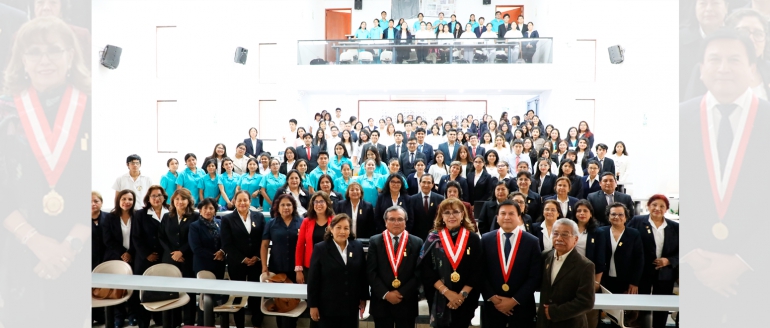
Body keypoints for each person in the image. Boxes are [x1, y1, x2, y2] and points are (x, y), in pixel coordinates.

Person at [419, 199, 481, 328]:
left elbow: (478, 270)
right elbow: (426, 269)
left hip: (465, 298)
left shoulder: (473, 238)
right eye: (447, 212)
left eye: (455, 212)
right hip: (439, 296)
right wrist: (447, 292)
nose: (451, 216)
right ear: (441, 216)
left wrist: (461, 296)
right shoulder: (432, 238)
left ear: (462, 214)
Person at [480, 200, 542, 328]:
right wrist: (494, 299)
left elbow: (535, 276)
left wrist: (514, 301)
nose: (507, 217)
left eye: (511, 213)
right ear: (497, 218)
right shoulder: (486, 240)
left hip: (522, 306)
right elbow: (480, 272)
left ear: (519, 217)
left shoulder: (532, 242)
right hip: (493, 306)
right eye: (503, 213)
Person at [367, 205, 424, 328]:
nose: (396, 223)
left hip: (406, 301)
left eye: (400, 219)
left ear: (406, 222)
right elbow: (371, 272)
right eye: (392, 219)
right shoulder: (375, 241)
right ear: (385, 222)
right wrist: (386, 294)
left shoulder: (417, 242)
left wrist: (402, 292)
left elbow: (419, 272)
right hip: (382, 302)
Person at [308, 214, 369, 327]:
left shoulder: (357, 246)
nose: (342, 231)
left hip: (351, 305)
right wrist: (313, 305)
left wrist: (363, 298)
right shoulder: (320, 248)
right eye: (338, 227)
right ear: (331, 229)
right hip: (327, 307)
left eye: (346, 228)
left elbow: (362, 275)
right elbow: (313, 279)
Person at [627, 195, 679, 328]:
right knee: (640, 306)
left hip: (665, 274)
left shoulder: (675, 227)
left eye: (662, 206)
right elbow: (628, 243)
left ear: (666, 209)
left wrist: (669, 260)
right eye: (654, 205)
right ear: (648, 206)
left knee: (662, 307)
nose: (657, 208)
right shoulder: (637, 221)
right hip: (642, 273)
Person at [536, 218, 595, 328]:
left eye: (565, 235)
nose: (559, 238)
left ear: (575, 239)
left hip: (570, 322)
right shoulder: (546, 256)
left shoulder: (585, 265)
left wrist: (554, 312)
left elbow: (586, 302)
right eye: (555, 233)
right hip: (544, 322)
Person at [220, 191, 265, 328]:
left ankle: (256, 323)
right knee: (238, 295)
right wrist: (243, 259)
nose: (242, 203)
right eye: (239, 200)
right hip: (236, 263)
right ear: (234, 202)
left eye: (245, 200)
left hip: (256, 262)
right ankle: (239, 324)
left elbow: (263, 240)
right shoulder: (227, 219)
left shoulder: (259, 217)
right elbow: (227, 244)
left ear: (250, 201)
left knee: (256, 294)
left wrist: (257, 256)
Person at [261, 194, 303, 328]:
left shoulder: (301, 222)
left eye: (289, 205)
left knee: (293, 302)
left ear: (294, 207)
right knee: (280, 303)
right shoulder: (271, 223)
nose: (286, 207)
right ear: (277, 208)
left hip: (296, 269)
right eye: (283, 205)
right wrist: (264, 266)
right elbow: (264, 245)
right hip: (277, 268)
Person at [159, 188, 200, 326]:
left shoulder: (195, 216)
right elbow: (161, 237)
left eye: (183, 199)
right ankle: (174, 322)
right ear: (172, 201)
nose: (180, 202)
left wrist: (182, 252)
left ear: (189, 201)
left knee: (188, 291)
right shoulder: (167, 216)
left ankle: (189, 323)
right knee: (172, 292)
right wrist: (173, 253)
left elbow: (195, 237)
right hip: (170, 259)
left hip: (188, 258)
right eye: (177, 199)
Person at [102, 189, 137, 327]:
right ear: (118, 200)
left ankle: (133, 314)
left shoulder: (137, 216)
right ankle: (119, 316)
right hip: (115, 257)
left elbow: (139, 237)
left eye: (130, 199)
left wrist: (130, 253)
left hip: (134, 256)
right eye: (124, 199)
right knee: (117, 287)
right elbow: (108, 239)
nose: (127, 202)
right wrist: (123, 253)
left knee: (133, 287)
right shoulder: (110, 217)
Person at [570, 200, 605, 328]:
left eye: (585, 211)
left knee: (589, 310)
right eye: (579, 211)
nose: (582, 213)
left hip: (589, 275)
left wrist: (597, 282)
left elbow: (600, 259)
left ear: (591, 214)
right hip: (570, 273)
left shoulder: (598, 232)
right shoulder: (569, 229)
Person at [598, 203, 644, 296]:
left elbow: (639, 260)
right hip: (604, 279)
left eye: (620, 214)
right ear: (608, 217)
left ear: (626, 217)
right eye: (613, 214)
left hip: (626, 280)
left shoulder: (634, 234)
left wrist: (634, 282)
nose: (617, 217)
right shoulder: (601, 232)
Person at [189, 197, 225, 278]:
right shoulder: (194, 226)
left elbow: (225, 240)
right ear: (200, 210)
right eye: (205, 208)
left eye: (211, 208)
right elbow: (196, 248)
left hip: (220, 264)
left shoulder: (220, 223)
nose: (208, 211)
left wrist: (222, 251)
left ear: (215, 211)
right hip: (203, 265)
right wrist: (216, 256)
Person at [407, 174, 445, 241]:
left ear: (433, 184)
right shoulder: (412, 199)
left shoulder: (440, 199)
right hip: (416, 236)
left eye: (429, 182)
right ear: (420, 183)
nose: (426, 185)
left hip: (435, 236)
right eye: (424, 182)